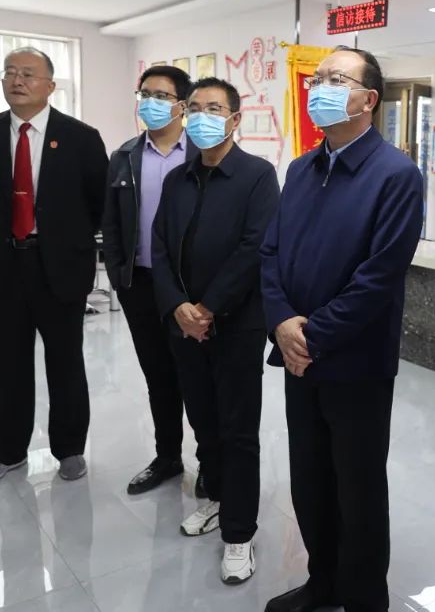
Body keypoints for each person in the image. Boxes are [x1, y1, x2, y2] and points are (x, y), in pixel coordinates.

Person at [261, 46, 423, 612]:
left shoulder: (396, 174)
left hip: (355, 363)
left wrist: (311, 336)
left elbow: (379, 276)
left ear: (368, 99)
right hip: (298, 358)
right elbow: (270, 253)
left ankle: (363, 598)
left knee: (358, 487)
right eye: (318, 79)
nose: (320, 88)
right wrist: (281, 322)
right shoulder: (301, 169)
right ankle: (322, 580)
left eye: (336, 79)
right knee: (309, 478)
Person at [150, 77, 279, 584]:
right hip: (185, 327)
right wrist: (178, 308)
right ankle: (219, 499)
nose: (203, 116)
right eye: (195, 108)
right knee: (203, 421)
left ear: (235, 119)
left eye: (214, 108)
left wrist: (206, 308)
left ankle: (239, 533)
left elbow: (255, 248)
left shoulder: (257, 176)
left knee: (238, 430)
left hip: (237, 325)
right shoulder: (177, 180)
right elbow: (160, 249)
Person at [0, 47, 107, 487]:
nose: (17, 80)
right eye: (10, 72)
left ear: (50, 85)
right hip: (5, 262)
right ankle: (7, 452)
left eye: (28, 73)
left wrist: (61, 237)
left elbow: (97, 202)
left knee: (66, 361)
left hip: (60, 264)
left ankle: (70, 449)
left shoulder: (81, 137)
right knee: (9, 362)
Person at [103, 65, 198, 495]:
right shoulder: (124, 156)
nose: (150, 103)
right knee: (157, 375)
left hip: (189, 288)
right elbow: (111, 223)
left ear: (182, 105)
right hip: (140, 284)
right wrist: (119, 277)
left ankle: (210, 461)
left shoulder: (201, 153)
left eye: (161, 96)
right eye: (145, 94)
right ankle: (167, 457)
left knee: (195, 375)